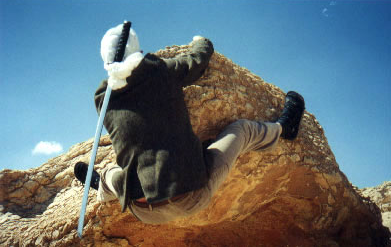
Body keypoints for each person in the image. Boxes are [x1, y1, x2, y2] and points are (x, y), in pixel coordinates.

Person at [74, 23, 305, 224]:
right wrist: (202, 41)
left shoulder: (102, 98)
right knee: (242, 130)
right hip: (190, 199)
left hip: (141, 209)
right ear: (138, 52)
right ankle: (284, 128)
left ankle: (102, 186)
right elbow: (197, 60)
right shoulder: (159, 71)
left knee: (112, 172)